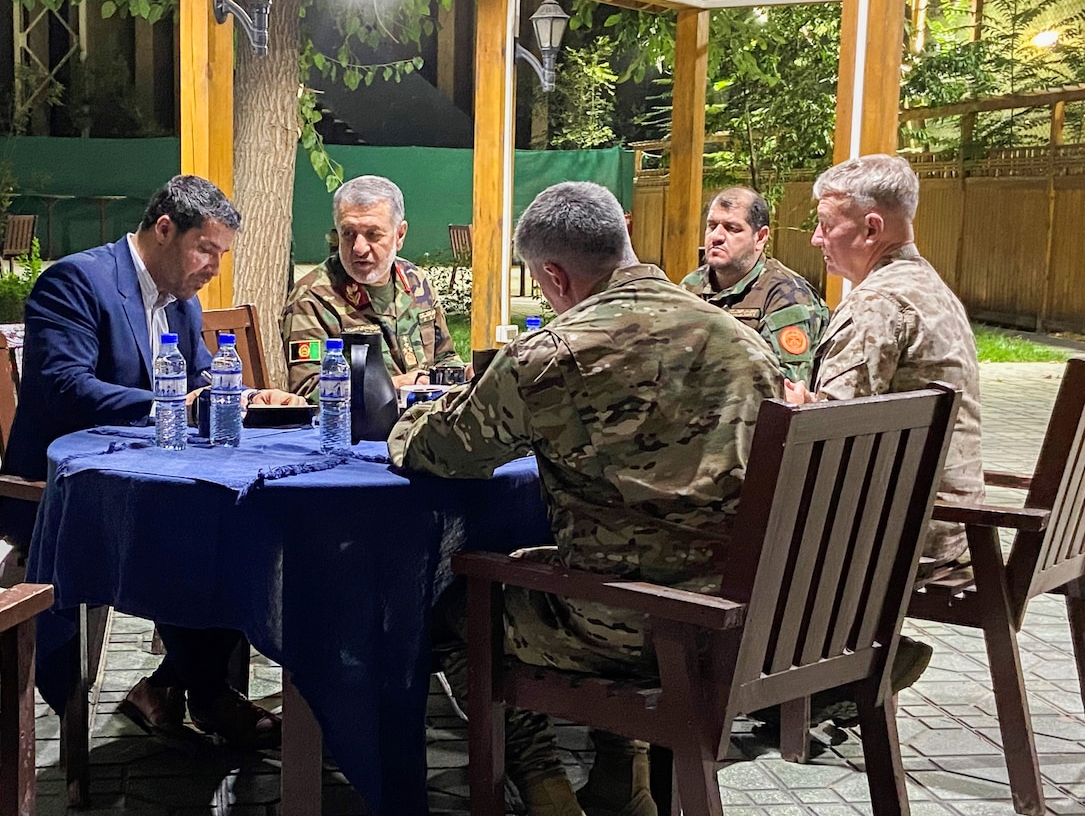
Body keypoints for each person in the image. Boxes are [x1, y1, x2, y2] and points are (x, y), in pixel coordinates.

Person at [389, 182, 782, 816]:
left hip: (625, 628)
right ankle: (620, 780)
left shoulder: (556, 354)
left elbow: (446, 450)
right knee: (601, 561)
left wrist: (405, 421)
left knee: (447, 606)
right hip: (739, 620)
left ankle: (543, 786)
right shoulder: (741, 339)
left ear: (553, 274)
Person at [0, 175, 304, 748]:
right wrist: (175, 401)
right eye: (205, 249)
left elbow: (199, 378)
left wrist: (243, 395)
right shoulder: (75, 282)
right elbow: (66, 387)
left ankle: (174, 685)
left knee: (242, 524)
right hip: (65, 492)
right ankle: (208, 696)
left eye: (222, 254)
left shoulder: (181, 302)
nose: (214, 266)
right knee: (200, 532)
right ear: (164, 229)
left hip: (153, 477)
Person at [786, 154, 985, 578]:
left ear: (872, 228)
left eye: (825, 224)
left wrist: (799, 406)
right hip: (955, 531)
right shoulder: (932, 288)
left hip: (899, 540)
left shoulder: (875, 304)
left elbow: (826, 441)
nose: (816, 239)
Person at [280, 175, 462, 401]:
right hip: (359, 431)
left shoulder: (416, 282)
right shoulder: (313, 299)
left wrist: (465, 375)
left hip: (425, 424)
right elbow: (308, 393)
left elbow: (446, 358)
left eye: (372, 234)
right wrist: (395, 386)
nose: (359, 248)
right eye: (348, 234)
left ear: (400, 235)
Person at [680, 186, 829, 384]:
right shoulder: (691, 286)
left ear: (760, 237)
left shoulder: (787, 296)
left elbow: (785, 386)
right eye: (712, 226)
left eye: (732, 228)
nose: (716, 237)